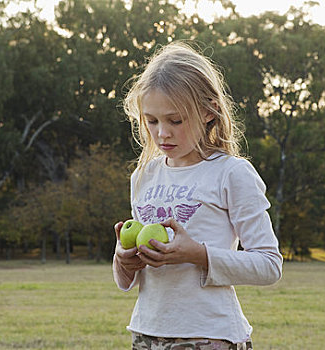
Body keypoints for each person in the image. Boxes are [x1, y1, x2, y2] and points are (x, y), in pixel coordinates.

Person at [112, 41, 283, 350]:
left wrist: (198, 254)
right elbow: (128, 281)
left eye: (175, 120)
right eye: (151, 120)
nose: (162, 133)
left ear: (209, 111)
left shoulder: (232, 173)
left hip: (209, 336)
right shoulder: (143, 176)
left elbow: (269, 265)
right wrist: (125, 260)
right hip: (145, 334)